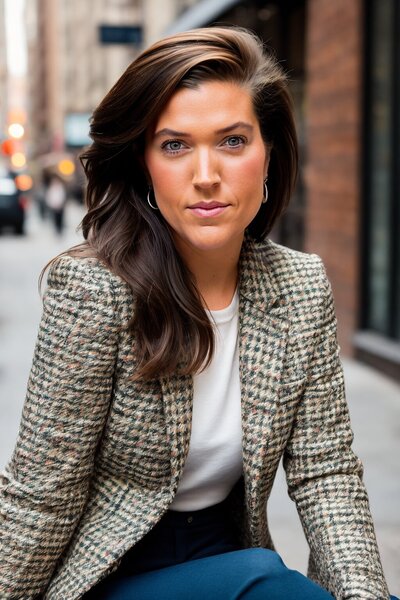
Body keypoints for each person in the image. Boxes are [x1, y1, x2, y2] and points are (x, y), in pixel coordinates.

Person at [0, 27, 397, 600]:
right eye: (175, 145)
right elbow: (41, 493)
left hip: (226, 551)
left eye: (232, 142)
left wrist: (364, 593)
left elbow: (326, 472)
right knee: (265, 583)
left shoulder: (300, 285)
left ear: (269, 154)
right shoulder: (94, 290)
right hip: (112, 570)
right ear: (144, 165)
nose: (205, 173)